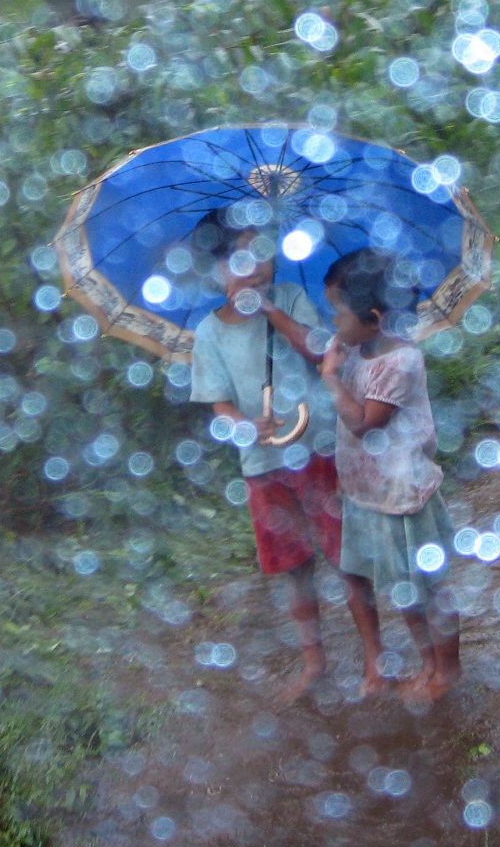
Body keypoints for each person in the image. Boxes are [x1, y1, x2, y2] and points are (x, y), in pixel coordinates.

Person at [189, 209, 379, 703]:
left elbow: (318, 352)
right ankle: (314, 662)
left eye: (261, 255)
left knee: (345, 554)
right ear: (217, 272)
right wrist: (247, 426)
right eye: (238, 259)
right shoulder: (209, 334)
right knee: (294, 567)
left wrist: (272, 310)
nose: (253, 268)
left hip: (314, 450)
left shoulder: (290, 297)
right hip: (261, 465)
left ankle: (375, 660)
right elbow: (220, 405)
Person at [320, 247, 461, 703]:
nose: (334, 325)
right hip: (369, 494)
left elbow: (363, 423)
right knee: (404, 592)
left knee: (426, 590)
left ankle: (448, 669)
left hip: (403, 496)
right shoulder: (356, 352)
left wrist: (331, 380)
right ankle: (428, 663)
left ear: (376, 317)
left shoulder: (402, 362)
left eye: (339, 314)